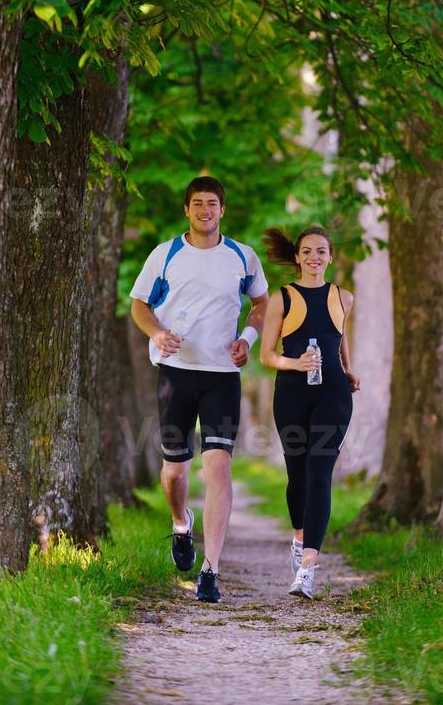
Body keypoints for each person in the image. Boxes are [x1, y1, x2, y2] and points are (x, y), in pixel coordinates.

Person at [130, 176, 269, 603]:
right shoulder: (166, 254)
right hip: (175, 372)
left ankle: (210, 571)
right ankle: (180, 524)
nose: (205, 210)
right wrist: (156, 333)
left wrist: (248, 337)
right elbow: (139, 304)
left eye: (212, 203)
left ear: (222, 210)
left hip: (222, 375)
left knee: (218, 467)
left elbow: (261, 303)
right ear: (187, 210)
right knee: (175, 471)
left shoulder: (242, 257)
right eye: (197, 204)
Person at [260, 225, 360, 599]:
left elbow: (340, 335)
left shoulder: (343, 296)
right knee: (297, 477)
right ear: (297, 258)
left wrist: (348, 369)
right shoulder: (281, 298)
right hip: (291, 394)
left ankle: (307, 569)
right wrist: (295, 363)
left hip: (333, 394)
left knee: (320, 474)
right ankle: (299, 539)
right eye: (307, 252)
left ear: (330, 257)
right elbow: (267, 356)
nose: (314, 258)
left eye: (321, 251)